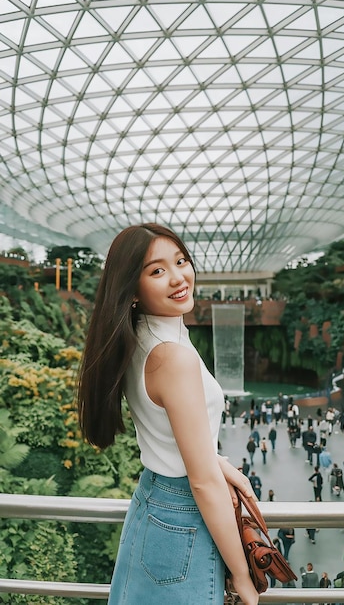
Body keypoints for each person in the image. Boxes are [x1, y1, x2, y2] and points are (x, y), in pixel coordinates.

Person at [77, 223, 259, 605]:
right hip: (182, 517)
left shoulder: (142, 334)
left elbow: (172, 431)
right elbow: (203, 484)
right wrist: (243, 576)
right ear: (132, 289)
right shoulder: (171, 355)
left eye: (181, 261)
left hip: (152, 502)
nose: (179, 277)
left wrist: (216, 460)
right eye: (157, 270)